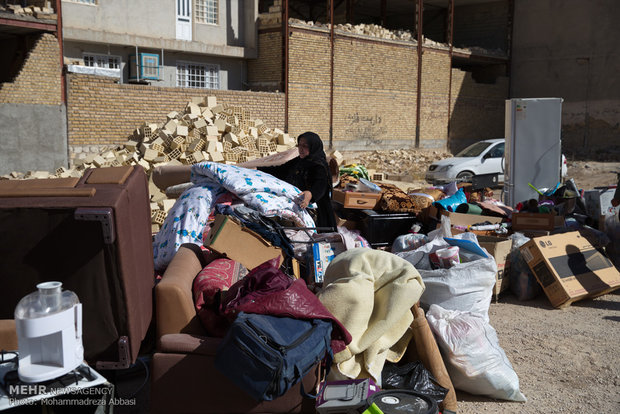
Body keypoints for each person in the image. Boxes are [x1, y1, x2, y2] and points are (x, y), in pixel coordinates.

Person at [258, 131, 337, 231]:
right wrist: (258, 169)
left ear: (313, 147)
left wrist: (311, 194)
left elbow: (321, 186)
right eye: (299, 145)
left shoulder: (319, 165)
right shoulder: (299, 161)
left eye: (305, 146)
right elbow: (280, 170)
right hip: (299, 205)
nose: (301, 149)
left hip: (317, 211)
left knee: (318, 239)